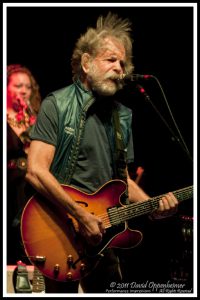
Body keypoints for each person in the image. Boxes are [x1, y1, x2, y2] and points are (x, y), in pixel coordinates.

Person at [25, 13, 178, 293]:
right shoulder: (57, 104)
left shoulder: (122, 117)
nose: (119, 67)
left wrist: (154, 206)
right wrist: (79, 216)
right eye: (110, 59)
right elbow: (35, 170)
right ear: (86, 63)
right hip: (59, 229)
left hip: (105, 234)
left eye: (123, 62)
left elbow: (122, 181)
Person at [7, 64, 41, 265]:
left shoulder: (35, 117)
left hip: (29, 184)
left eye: (28, 87)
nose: (24, 91)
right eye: (18, 85)